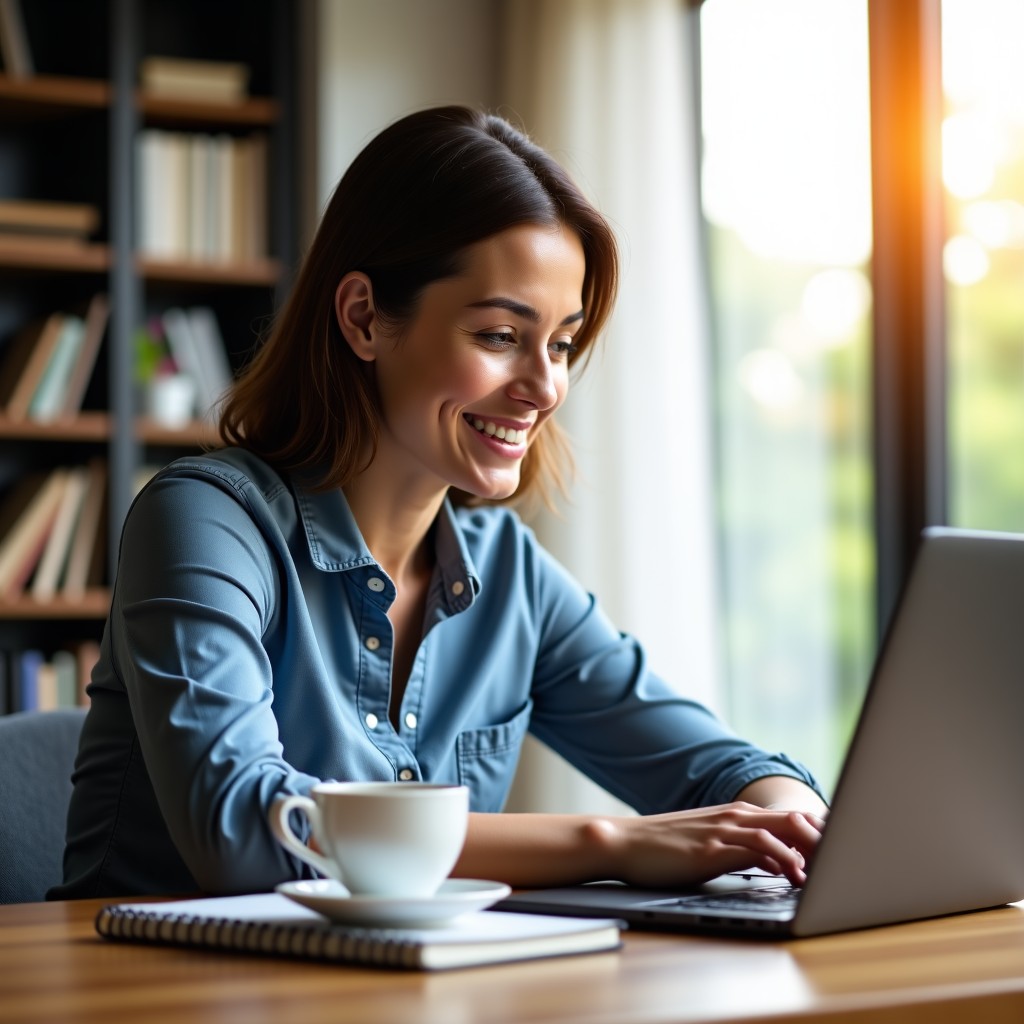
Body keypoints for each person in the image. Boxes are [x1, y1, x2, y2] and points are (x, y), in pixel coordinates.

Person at [52, 105, 827, 901]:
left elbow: (721, 768)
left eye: (561, 343)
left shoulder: (510, 574)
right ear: (363, 318)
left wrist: (793, 825)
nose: (546, 387)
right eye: (500, 336)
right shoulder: (204, 523)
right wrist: (614, 842)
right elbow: (244, 831)